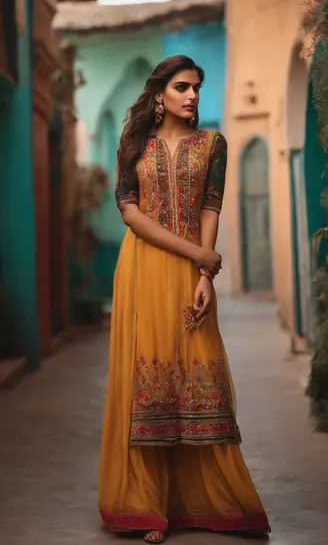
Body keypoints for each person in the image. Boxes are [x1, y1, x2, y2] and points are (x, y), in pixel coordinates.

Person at [98, 55, 270, 543]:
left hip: (192, 272)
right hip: (142, 269)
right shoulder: (133, 145)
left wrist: (204, 272)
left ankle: (204, 500)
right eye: (182, 87)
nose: (193, 95)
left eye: (197, 87)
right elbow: (131, 216)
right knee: (147, 380)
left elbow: (210, 205)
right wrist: (199, 252)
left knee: (197, 368)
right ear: (159, 94)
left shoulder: (213, 144)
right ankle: (148, 505)